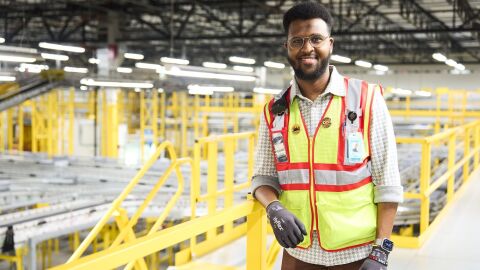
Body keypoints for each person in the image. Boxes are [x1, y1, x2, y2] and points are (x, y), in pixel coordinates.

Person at [251, 2, 403, 270]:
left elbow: (387, 180)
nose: (306, 48)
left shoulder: (366, 99)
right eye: (297, 40)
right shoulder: (275, 110)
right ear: (286, 47)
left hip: (355, 253)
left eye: (315, 39)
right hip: (299, 252)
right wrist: (273, 207)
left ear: (330, 44)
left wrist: (381, 250)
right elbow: (263, 178)